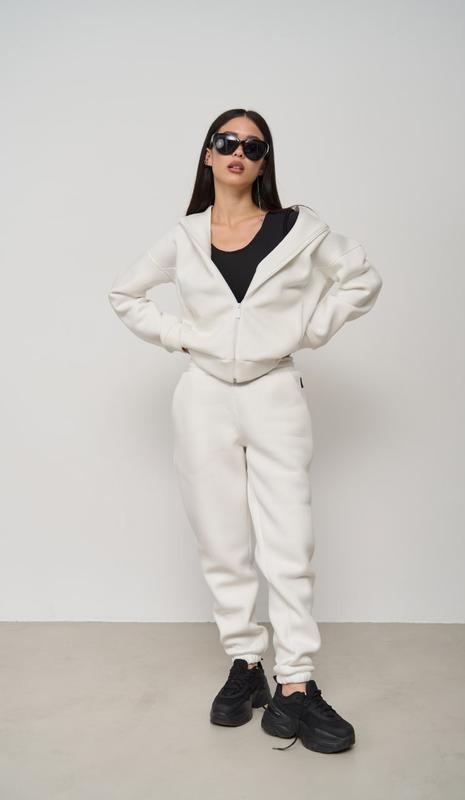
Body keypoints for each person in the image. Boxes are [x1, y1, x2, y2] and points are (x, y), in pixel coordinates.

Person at [108, 108, 383, 754]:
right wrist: (183, 337)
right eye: (225, 141)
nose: (238, 152)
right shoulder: (185, 235)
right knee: (220, 537)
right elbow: (125, 295)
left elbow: (362, 279)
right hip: (202, 396)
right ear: (208, 154)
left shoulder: (297, 229)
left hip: (273, 393)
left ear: (264, 162)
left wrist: (305, 329)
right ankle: (245, 663)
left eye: (252, 146)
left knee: (289, 540)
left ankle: (296, 683)